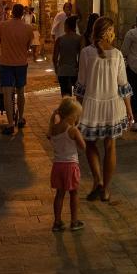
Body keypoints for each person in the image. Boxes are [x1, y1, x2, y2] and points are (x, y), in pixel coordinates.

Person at [76, 16, 133, 203]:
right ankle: (106, 189)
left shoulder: (85, 53)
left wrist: (77, 108)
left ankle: (97, 180)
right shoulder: (117, 54)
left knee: (89, 144)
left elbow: (81, 85)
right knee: (110, 146)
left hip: (92, 105)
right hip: (112, 105)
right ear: (108, 32)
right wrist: (129, 110)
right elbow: (123, 86)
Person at [0, 2, 34, 135]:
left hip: (6, 63)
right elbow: (29, 46)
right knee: (21, 91)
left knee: (7, 93)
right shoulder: (28, 28)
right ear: (22, 14)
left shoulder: (3, 25)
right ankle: (20, 118)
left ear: (12, 13)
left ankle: (10, 123)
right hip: (21, 63)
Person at [47, 96, 85, 232]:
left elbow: (50, 136)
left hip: (57, 166)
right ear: (71, 116)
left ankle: (57, 221)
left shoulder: (54, 129)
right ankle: (74, 221)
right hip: (71, 166)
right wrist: (77, 131)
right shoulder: (72, 130)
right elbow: (83, 146)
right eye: (77, 116)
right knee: (74, 193)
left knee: (59, 194)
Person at [53, 16, 82, 95]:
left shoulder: (60, 39)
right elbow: (81, 56)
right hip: (75, 70)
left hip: (63, 70)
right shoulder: (79, 39)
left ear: (67, 26)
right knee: (78, 96)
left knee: (66, 96)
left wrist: (56, 68)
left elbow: (54, 57)